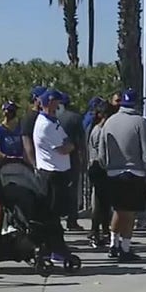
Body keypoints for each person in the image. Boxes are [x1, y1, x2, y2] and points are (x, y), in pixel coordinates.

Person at [99, 90, 146, 261]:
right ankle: (125, 248)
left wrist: (107, 167)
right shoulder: (141, 122)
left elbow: (101, 152)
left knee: (118, 209)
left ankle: (113, 244)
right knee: (129, 213)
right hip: (134, 172)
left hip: (113, 172)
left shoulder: (109, 122)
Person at [32, 90, 74, 222]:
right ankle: (51, 240)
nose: (59, 106)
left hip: (58, 172)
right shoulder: (46, 125)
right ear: (50, 103)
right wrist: (71, 146)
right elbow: (64, 148)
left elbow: (65, 138)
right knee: (51, 211)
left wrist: (69, 144)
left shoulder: (53, 122)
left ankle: (54, 238)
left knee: (57, 212)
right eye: (57, 102)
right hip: (51, 173)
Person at [87, 102, 117, 249]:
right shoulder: (99, 131)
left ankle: (104, 231)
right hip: (99, 167)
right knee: (99, 203)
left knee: (105, 203)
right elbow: (101, 153)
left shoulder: (104, 129)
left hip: (101, 167)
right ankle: (95, 232)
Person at [0, 101, 24, 234]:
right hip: (3, 164)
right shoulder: (0, 129)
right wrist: (4, 156)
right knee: (0, 197)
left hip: (19, 164)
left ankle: (16, 223)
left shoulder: (19, 128)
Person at [56, 92, 85, 231]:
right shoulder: (76, 118)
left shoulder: (55, 118)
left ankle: (57, 219)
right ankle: (71, 221)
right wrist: (83, 158)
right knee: (72, 190)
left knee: (58, 190)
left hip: (57, 157)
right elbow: (80, 140)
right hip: (72, 157)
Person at [21, 86, 47, 169]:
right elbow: (27, 144)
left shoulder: (46, 116)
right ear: (36, 99)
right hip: (34, 164)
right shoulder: (29, 118)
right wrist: (34, 164)